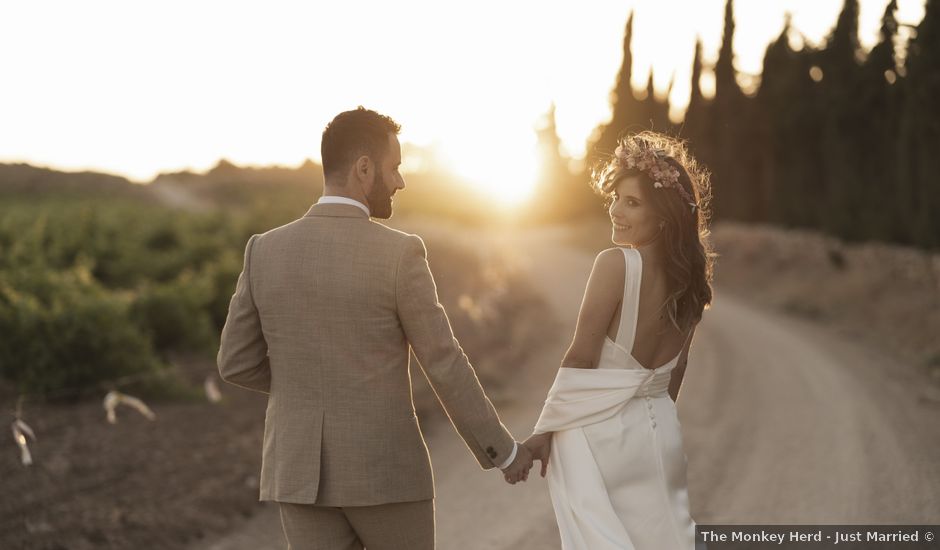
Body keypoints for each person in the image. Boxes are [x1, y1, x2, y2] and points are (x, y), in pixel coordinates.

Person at [217, 106, 532, 550]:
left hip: (299, 472)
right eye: (395, 167)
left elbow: (234, 362)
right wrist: (505, 451)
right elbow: (443, 362)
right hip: (384, 470)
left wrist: (307, 385)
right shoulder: (400, 254)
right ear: (364, 169)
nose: (400, 181)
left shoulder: (263, 250)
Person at [519, 131, 715, 549]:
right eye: (615, 199)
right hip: (660, 436)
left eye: (632, 202)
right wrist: (651, 430)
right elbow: (675, 373)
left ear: (663, 215)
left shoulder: (615, 264)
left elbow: (581, 358)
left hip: (602, 437)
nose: (615, 211)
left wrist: (543, 432)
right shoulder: (693, 281)